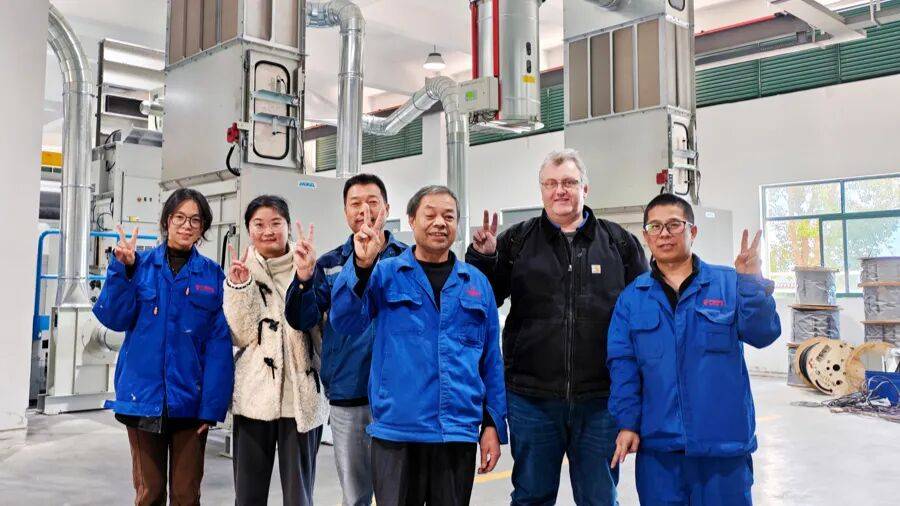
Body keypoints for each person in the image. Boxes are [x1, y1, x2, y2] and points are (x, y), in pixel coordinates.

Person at [465, 149, 648, 505]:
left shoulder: (619, 243)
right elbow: (484, 300)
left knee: (599, 498)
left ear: (585, 188)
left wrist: (637, 394)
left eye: (568, 182)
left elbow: (642, 316)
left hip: (601, 400)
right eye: (550, 183)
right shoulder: (516, 241)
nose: (559, 190)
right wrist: (484, 259)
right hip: (531, 399)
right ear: (542, 190)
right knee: (531, 496)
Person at [329, 185, 506, 506]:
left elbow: (491, 361)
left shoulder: (476, 283)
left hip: (456, 433)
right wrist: (361, 266)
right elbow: (345, 321)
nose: (440, 223)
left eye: (448, 216)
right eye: (430, 215)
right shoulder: (385, 274)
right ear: (411, 220)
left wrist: (492, 423)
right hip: (397, 433)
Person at [607, 193, 781, 506]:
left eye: (674, 224)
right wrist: (627, 422)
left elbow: (763, 334)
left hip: (723, 446)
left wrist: (751, 283)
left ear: (692, 231)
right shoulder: (632, 298)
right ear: (646, 236)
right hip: (660, 451)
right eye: (655, 227)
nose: (664, 234)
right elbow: (623, 366)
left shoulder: (729, 283)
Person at [93, 188, 234, 506]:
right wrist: (122, 272)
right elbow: (113, 317)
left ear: (202, 227)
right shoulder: (139, 266)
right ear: (167, 221)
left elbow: (218, 347)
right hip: (143, 398)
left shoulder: (212, 275)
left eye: (195, 220)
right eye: (180, 217)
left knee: (186, 494)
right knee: (150, 493)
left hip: (190, 403)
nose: (187, 225)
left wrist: (211, 408)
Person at [284, 173, 407, 506]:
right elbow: (301, 319)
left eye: (372, 202)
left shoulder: (408, 261)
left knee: (399, 493)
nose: (364, 210)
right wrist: (303, 279)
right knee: (354, 496)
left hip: (400, 395)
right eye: (356, 203)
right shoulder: (329, 264)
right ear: (345, 211)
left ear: (387, 208)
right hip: (349, 392)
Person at [223, 195, 329, 506]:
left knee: (299, 497)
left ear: (287, 226)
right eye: (258, 224)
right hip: (254, 398)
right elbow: (239, 335)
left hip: (301, 401)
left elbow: (322, 331)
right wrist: (239, 288)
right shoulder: (242, 270)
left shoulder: (309, 266)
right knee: (248, 496)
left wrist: (306, 278)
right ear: (249, 230)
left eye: (275, 223)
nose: (267, 231)